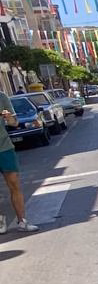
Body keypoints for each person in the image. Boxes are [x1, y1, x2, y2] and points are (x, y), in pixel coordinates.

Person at [0, 91, 39, 235]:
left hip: (4, 147)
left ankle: (22, 221)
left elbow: (14, 123)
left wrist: (9, 118)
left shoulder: (2, 97)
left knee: (14, 183)